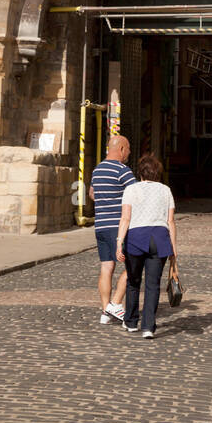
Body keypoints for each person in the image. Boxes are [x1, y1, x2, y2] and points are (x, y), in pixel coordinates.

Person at [116, 152, 177, 339]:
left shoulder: (131, 190)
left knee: (133, 281)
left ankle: (131, 321)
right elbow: (170, 221)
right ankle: (148, 327)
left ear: (140, 172)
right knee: (153, 284)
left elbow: (125, 218)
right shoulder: (166, 190)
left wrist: (119, 242)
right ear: (157, 172)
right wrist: (174, 250)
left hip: (136, 237)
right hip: (159, 239)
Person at [89, 134, 135, 324]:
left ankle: (105, 312)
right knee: (133, 265)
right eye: (128, 149)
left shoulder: (97, 170)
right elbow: (136, 195)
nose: (129, 153)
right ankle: (115, 303)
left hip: (100, 225)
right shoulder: (123, 170)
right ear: (122, 149)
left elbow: (92, 194)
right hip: (118, 227)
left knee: (106, 268)